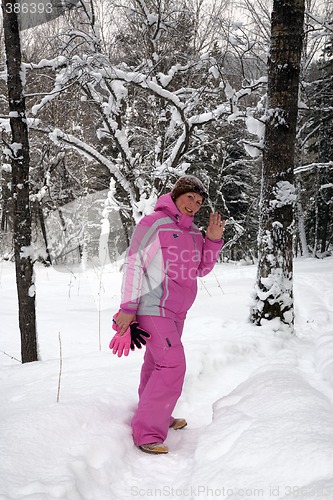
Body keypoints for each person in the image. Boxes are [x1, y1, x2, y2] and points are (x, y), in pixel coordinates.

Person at [114, 175, 226, 454]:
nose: (194, 205)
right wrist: (128, 309)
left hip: (177, 312)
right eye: (190, 198)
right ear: (176, 195)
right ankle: (147, 432)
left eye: (199, 202)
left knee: (156, 364)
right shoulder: (154, 224)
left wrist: (212, 241)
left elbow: (201, 269)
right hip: (153, 308)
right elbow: (133, 265)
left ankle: (155, 414)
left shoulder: (192, 233)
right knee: (173, 365)